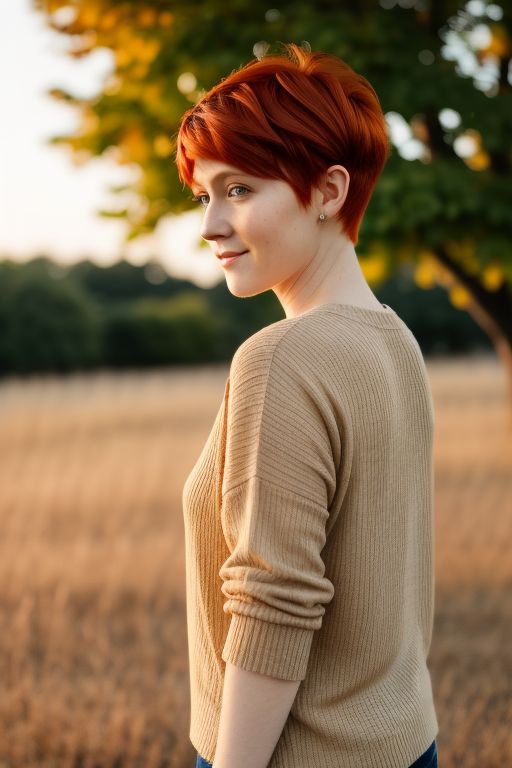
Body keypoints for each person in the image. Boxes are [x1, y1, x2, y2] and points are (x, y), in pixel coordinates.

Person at [176, 43, 439, 768]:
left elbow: (274, 606)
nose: (210, 226)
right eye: (204, 195)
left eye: (239, 190)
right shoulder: (398, 341)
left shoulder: (280, 359)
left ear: (327, 191)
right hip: (407, 742)